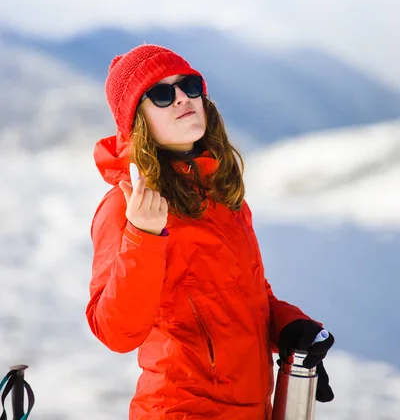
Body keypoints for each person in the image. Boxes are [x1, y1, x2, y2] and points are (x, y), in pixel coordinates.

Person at [86, 44, 334, 420]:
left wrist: (288, 326)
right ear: (137, 120)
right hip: (182, 410)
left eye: (189, 84)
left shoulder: (220, 193)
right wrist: (142, 236)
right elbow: (116, 332)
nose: (182, 98)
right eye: (162, 93)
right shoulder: (127, 206)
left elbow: (243, 296)